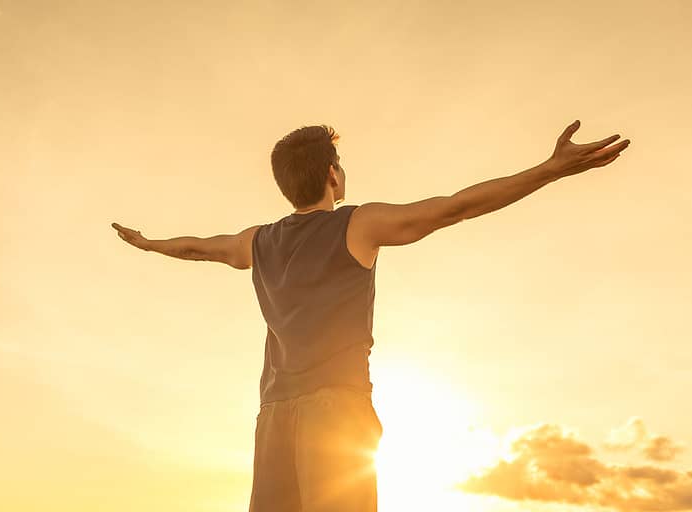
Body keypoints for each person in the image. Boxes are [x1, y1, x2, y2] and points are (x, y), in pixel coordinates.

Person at [111, 120, 630, 511]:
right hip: (337, 411)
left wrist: (149, 243)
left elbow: (199, 248)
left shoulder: (258, 241)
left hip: (273, 416)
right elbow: (454, 207)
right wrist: (550, 170)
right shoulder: (356, 225)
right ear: (333, 174)